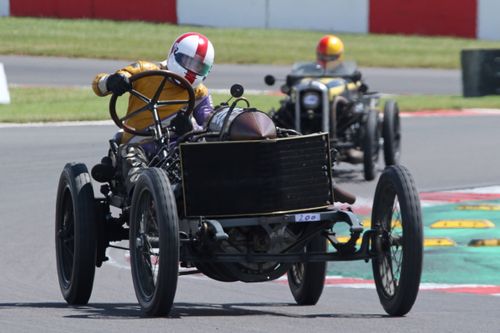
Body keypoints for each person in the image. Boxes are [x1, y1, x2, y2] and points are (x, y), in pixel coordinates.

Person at [91, 32, 215, 193]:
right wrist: (113, 81)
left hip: (175, 147)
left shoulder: (199, 92)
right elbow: (98, 85)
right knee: (131, 156)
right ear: (174, 53)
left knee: (202, 152)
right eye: (188, 61)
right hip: (138, 143)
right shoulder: (144, 70)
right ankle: (142, 196)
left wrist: (191, 129)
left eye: (198, 66)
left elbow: (209, 122)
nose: (192, 69)